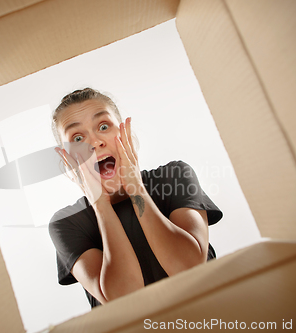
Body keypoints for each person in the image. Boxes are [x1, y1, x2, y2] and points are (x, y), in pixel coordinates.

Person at [49, 88, 222, 308]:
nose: (94, 143)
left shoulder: (174, 176)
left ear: (125, 134)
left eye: (103, 126)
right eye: (78, 138)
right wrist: (100, 204)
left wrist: (135, 188)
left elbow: (190, 268)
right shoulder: (67, 222)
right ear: (68, 161)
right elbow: (124, 299)